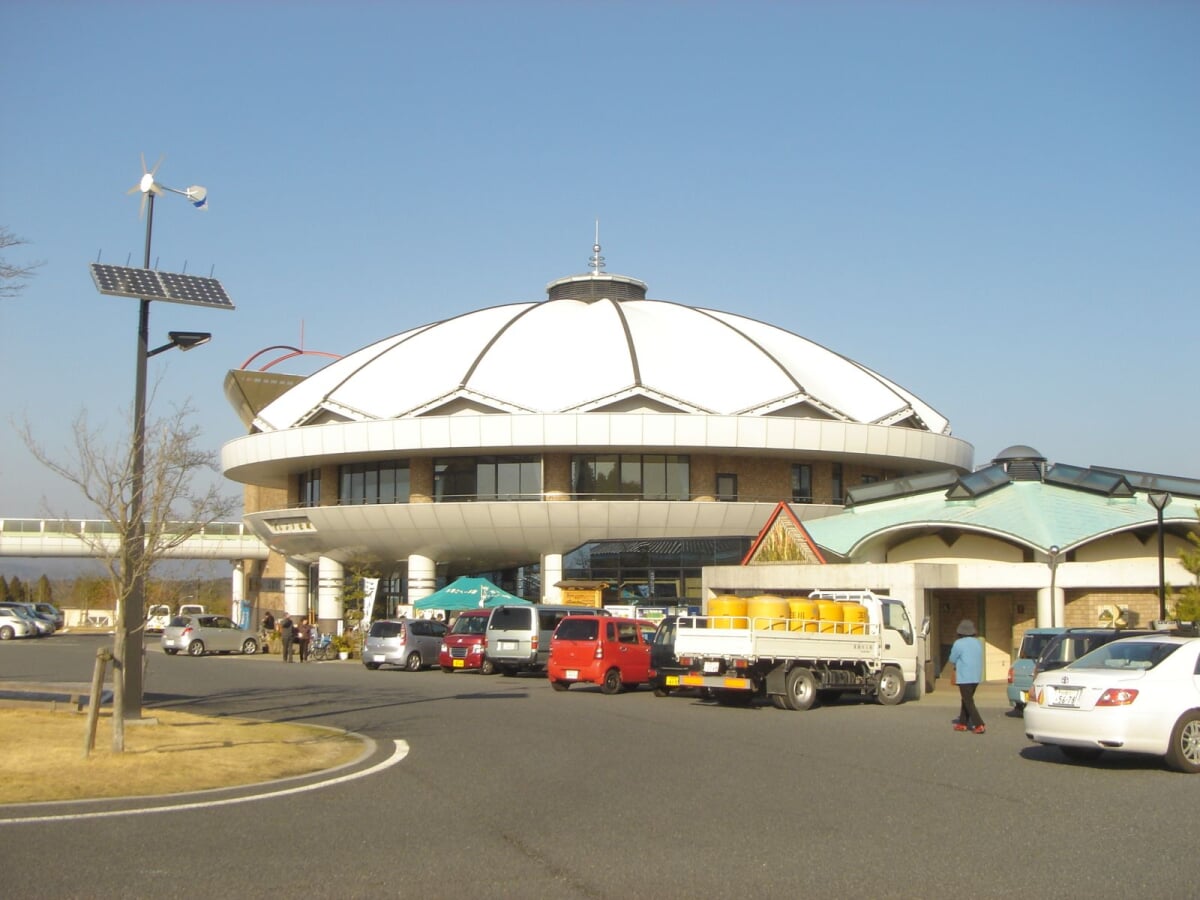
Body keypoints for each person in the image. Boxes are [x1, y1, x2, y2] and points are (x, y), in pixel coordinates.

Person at [948, 619, 985, 734]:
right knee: (966, 699)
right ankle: (962, 723)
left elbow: (952, 659)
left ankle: (979, 724)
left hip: (964, 677)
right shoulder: (978, 642)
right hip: (976, 676)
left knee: (968, 700)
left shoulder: (958, 643)